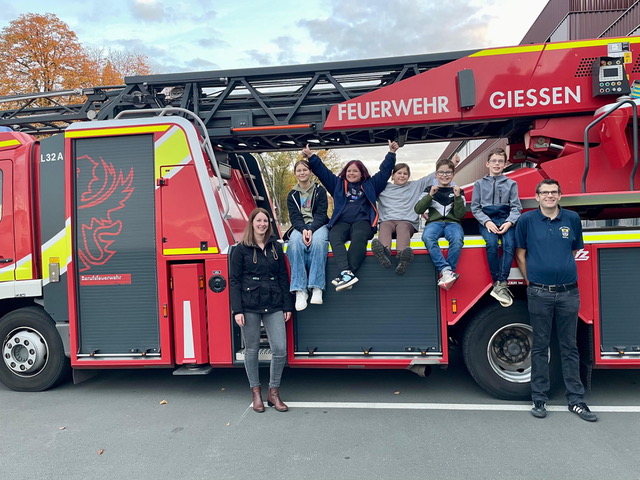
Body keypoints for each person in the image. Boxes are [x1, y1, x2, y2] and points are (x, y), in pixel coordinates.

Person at [515, 179, 597, 422]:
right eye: (545, 192)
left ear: (560, 195)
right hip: (539, 292)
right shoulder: (526, 221)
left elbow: (573, 250)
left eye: (553, 192)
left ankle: (576, 400)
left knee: (569, 346)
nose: (549, 196)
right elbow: (520, 253)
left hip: (568, 293)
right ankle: (539, 398)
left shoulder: (572, 219)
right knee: (540, 346)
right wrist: (533, 282)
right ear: (537, 196)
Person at [302, 141, 399, 291]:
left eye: (355, 171)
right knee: (334, 235)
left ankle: (348, 274)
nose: (351, 173)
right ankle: (346, 273)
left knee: (359, 235)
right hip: (342, 222)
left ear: (362, 173)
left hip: (363, 221)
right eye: (349, 171)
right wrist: (311, 156)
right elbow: (323, 171)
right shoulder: (337, 184)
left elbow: (385, 172)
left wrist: (391, 153)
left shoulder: (370, 185)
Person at [229, 208, 294, 413]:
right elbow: (234, 281)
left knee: (280, 349)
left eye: (265, 221)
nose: (262, 224)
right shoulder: (241, 249)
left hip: (274, 303)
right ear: (252, 223)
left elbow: (283, 277)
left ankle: (273, 393)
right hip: (249, 305)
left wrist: (287, 305)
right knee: (251, 349)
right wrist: (237, 310)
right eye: (259, 220)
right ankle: (256, 392)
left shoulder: (275, 247)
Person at [471, 148, 522, 307]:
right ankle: (496, 281)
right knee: (492, 244)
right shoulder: (479, 184)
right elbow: (475, 208)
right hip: (487, 219)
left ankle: (502, 282)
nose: (497, 164)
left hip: (506, 218)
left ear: (505, 164)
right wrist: (487, 222)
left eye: (500, 161)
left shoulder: (511, 184)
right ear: (487, 164)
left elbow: (516, 208)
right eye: (494, 161)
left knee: (509, 245)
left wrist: (509, 222)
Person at [372, 163, 435, 275]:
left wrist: (452, 164)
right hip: (388, 221)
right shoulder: (383, 187)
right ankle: (384, 254)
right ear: (392, 175)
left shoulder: (415, 186)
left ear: (409, 176)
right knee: (384, 226)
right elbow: (368, 187)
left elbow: (431, 177)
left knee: (403, 227)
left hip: (407, 221)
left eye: (405, 174)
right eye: (399, 173)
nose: (402, 176)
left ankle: (403, 258)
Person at [414, 158, 465, 290]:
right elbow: (418, 209)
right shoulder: (429, 189)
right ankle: (446, 270)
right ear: (436, 174)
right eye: (441, 172)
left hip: (453, 223)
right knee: (428, 237)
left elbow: (460, 214)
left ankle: (449, 273)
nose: (445, 175)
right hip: (434, 223)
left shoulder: (458, 190)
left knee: (457, 239)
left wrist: (458, 197)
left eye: (448, 172)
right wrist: (430, 195)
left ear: (453, 174)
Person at [286, 159, 329, 310]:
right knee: (294, 244)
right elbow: (294, 217)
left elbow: (321, 214)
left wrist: (311, 230)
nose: (302, 173)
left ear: (310, 172)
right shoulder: (292, 195)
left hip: (318, 225)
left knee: (318, 242)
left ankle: (316, 287)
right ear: (295, 174)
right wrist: (303, 229)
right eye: (299, 170)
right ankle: (300, 290)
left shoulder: (320, 191)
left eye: (305, 170)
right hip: (300, 227)